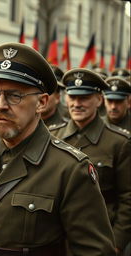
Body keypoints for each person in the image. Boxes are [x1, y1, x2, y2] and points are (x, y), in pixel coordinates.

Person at [0, 42, 116, 256]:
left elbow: (95, 251)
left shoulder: (70, 168)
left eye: (14, 95)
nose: (0, 105)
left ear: (42, 103)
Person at [50, 68, 131, 254]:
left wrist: (117, 243)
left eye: (84, 98)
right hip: (58, 241)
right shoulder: (53, 136)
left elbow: (127, 198)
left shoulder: (119, 143)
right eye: (73, 97)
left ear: (99, 100)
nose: (77, 104)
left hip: (101, 239)